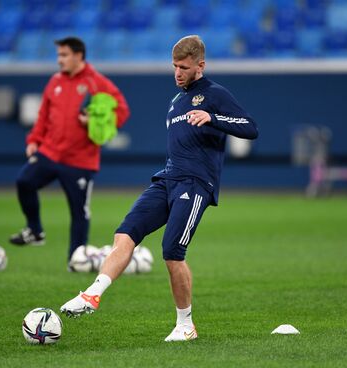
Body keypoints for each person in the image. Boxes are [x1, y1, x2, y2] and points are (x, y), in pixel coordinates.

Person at [60, 35, 258, 341]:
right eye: (175, 66)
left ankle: (185, 325)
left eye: (184, 67)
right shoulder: (176, 101)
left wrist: (213, 117)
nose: (178, 72)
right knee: (124, 235)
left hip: (195, 183)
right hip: (166, 179)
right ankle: (91, 295)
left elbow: (250, 127)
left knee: (172, 252)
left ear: (200, 66)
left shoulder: (214, 94)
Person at [9, 37, 130, 262]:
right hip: (51, 151)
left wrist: (94, 121)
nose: (59, 60)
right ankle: (35, 231)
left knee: (78, 211)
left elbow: (121, 111)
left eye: (64, 55)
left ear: (78, 56)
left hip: (80, 159)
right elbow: (44, 114)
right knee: (24, 181)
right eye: (58, 55)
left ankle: (76, 259)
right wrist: (34, 140)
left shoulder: (97, 83)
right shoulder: (55, 81)